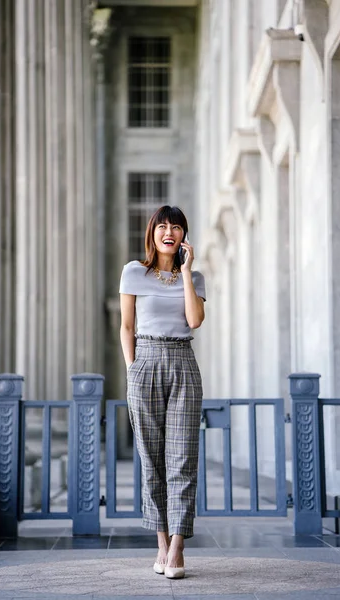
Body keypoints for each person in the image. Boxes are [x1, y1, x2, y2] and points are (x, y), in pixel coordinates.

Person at [119, 205, 206, 580]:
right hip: (145, 361)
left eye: (177, 227)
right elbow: (125, 326)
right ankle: (159, 542)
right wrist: (132, 368)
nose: (169, 232)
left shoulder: (195, 276)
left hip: (182, 361)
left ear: (184, 236)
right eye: (163, 226)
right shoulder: (134, 272)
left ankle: (177, 546)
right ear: (152, 232)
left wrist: (186, 272)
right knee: (151, 458)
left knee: (182, 456)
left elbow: (195, 320)